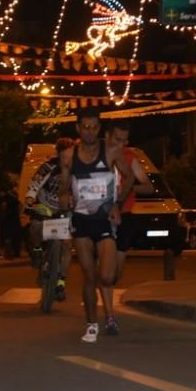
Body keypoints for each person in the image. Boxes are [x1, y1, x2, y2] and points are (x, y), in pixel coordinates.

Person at [58, 113, 135, 342]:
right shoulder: (69, 156)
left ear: (99, 129)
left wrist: (117, 204)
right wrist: (64, 195)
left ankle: (107, 312)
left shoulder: (111, 151)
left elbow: (129, 178)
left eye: (94, 127)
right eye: (85, 127)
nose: (90, 131)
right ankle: (92, 324)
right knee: (88, 275)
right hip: (81, 220)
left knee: (107, 275)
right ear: (78, 128)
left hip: (104, 220)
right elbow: (63, 186)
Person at [25, 137, 74, 300]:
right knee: (35, 226)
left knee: (67, 245)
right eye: (66, 156)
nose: (69, 160)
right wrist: (30, 199)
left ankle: (60, 282)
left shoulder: (77, 169)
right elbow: (35, 184)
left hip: (66, 209)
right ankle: (38, 252)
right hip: (46, 206)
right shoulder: (48, 166)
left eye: (71, 156)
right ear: (59, 155)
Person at [105, 122, 154, 285]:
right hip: (101, 215)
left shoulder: (129, 157)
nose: (120, 144)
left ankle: (109, 285)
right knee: (101, 267)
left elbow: (149, 187)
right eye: (117, 139)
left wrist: (127, 187)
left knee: (116, 271)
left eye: (124, 141)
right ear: (107, 136)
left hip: (124, 216)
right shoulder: (98, 154)